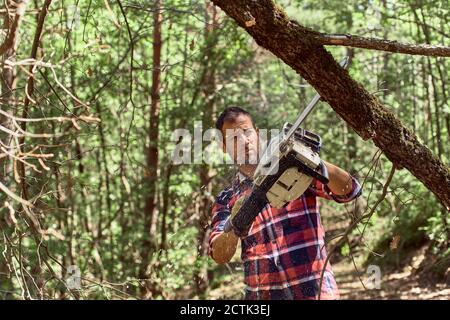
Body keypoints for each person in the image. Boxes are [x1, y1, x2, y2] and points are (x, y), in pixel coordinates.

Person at [208, 106, 362, 300]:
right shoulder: (226, 198)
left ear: (256, 133)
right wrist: (236, 224)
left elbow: (350, 190)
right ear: (223, 146)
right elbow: (219, 255)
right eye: (234, 138)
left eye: (246, 132)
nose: (244, 141)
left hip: (316, 292)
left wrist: (316, 164)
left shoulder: (293, 168)